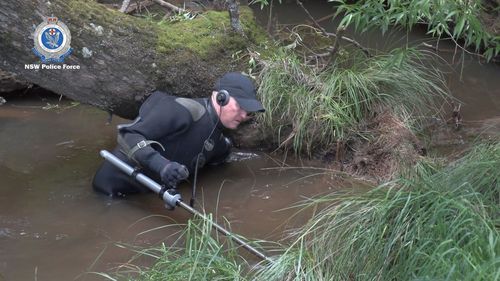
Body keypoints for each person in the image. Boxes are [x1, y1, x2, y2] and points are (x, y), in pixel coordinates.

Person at [92, 72, 265, 197]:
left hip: (147, 196)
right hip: (109, 190)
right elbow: (127, 135)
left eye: (248, 112)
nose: (244, 116)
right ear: (222, 97)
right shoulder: (182, 110)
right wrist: (163, 166)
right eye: (240, 107)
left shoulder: (219, 144)